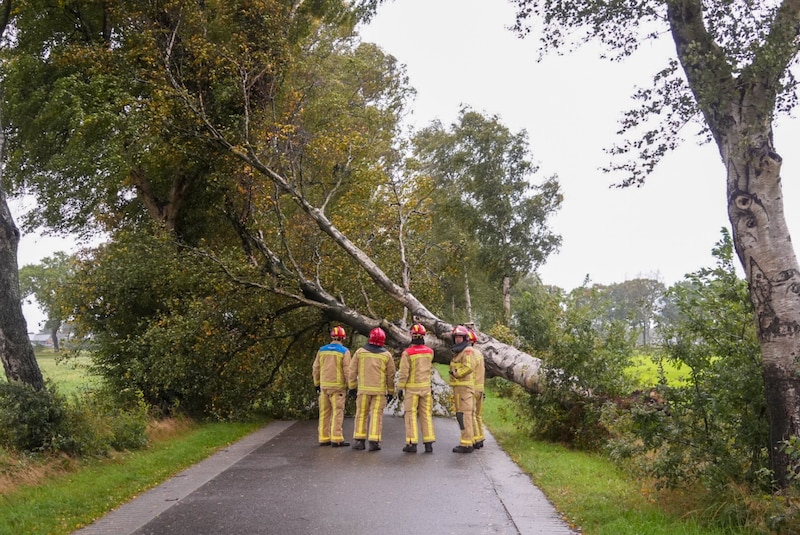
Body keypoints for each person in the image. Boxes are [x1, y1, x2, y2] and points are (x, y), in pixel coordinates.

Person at [348, 327, 396, 451]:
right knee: (376, 415)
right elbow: (390, 375)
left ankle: (359, 441)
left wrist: (352, 387)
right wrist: (391, 392)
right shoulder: (386, 355)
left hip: (363, 391)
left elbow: (352, 371)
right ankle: (374, 441)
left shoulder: (360, 352)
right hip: (379, 392)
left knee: (361, 414)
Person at [397, 323, 436, 453]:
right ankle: (428, 442)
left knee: (410, 415)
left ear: (411, 335)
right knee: (426, 415)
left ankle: (411, 443)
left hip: (412, 389)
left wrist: (400, 388)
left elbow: (404, 373)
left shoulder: (407, 353)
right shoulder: (430, 352)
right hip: (426, 388)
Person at [312, 325, 351, 447]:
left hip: (324, 387)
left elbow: (315, 368)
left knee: (324, 413)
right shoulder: (344, 351)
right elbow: (347, 370)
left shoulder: (322, 350)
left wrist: (316, 384)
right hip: (338, 388)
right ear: (342, 338)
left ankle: (323, 438)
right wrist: (351, 385)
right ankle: (337, 438)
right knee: (337, 413)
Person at [449, 325, 476, 453]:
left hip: (465, 389)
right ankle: (465, 441)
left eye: (460, 337)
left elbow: (468, 367)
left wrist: (456, 373)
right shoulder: (458, 352)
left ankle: (466, 444)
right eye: (456, 337)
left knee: (465, 416)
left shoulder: (467, 351)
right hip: (458, 389)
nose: (457, 340)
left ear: (465, 338)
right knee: (460, 415)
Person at [467, 327, 486, 449]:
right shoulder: (479, 354)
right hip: (480, 389)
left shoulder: (470, 354)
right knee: (478, 416)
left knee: (472, 414)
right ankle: (481, 437)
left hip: (472, 388)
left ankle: (475, 439)